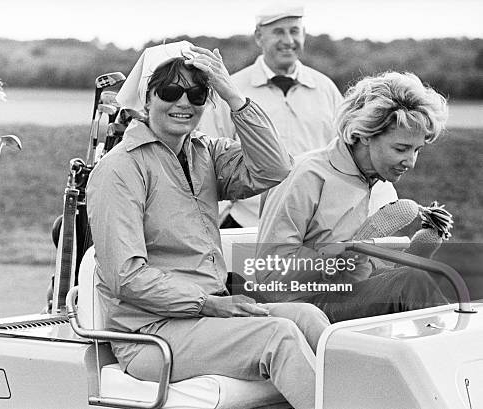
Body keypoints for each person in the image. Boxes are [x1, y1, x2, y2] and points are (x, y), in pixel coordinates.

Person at [87, 41, 330, 409]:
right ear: (147, 97)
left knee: (308, 317)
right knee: (277, 335)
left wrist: (234, 96)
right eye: (170, 91)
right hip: (150, 335)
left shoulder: (207, 152)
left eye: (198, 93)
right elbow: (127, 276)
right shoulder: (120, 169)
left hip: (206, 318)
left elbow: (276, 167)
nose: (184, 103)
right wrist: (208, 305)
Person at [255, 71, 450, 323]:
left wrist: (401, 259)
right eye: (401, 148)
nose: (410, 162)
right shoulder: (306, 175)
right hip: (306, 307)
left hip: (355, 297)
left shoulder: (384, 185)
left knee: (417, 279)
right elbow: (270, 276)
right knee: (412, 283)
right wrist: (347, 251)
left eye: (418, 150)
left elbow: (375, 275)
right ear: (365, 134)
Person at [199, 2, 396, 227]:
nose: (288, 41)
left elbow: (354, 151)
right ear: (258, 36)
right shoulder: (231, 89)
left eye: (294, 31)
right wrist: (217, 222)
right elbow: (209, 160)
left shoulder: (326, 88)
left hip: (318, 225)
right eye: (278, 32)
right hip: (249, 224)